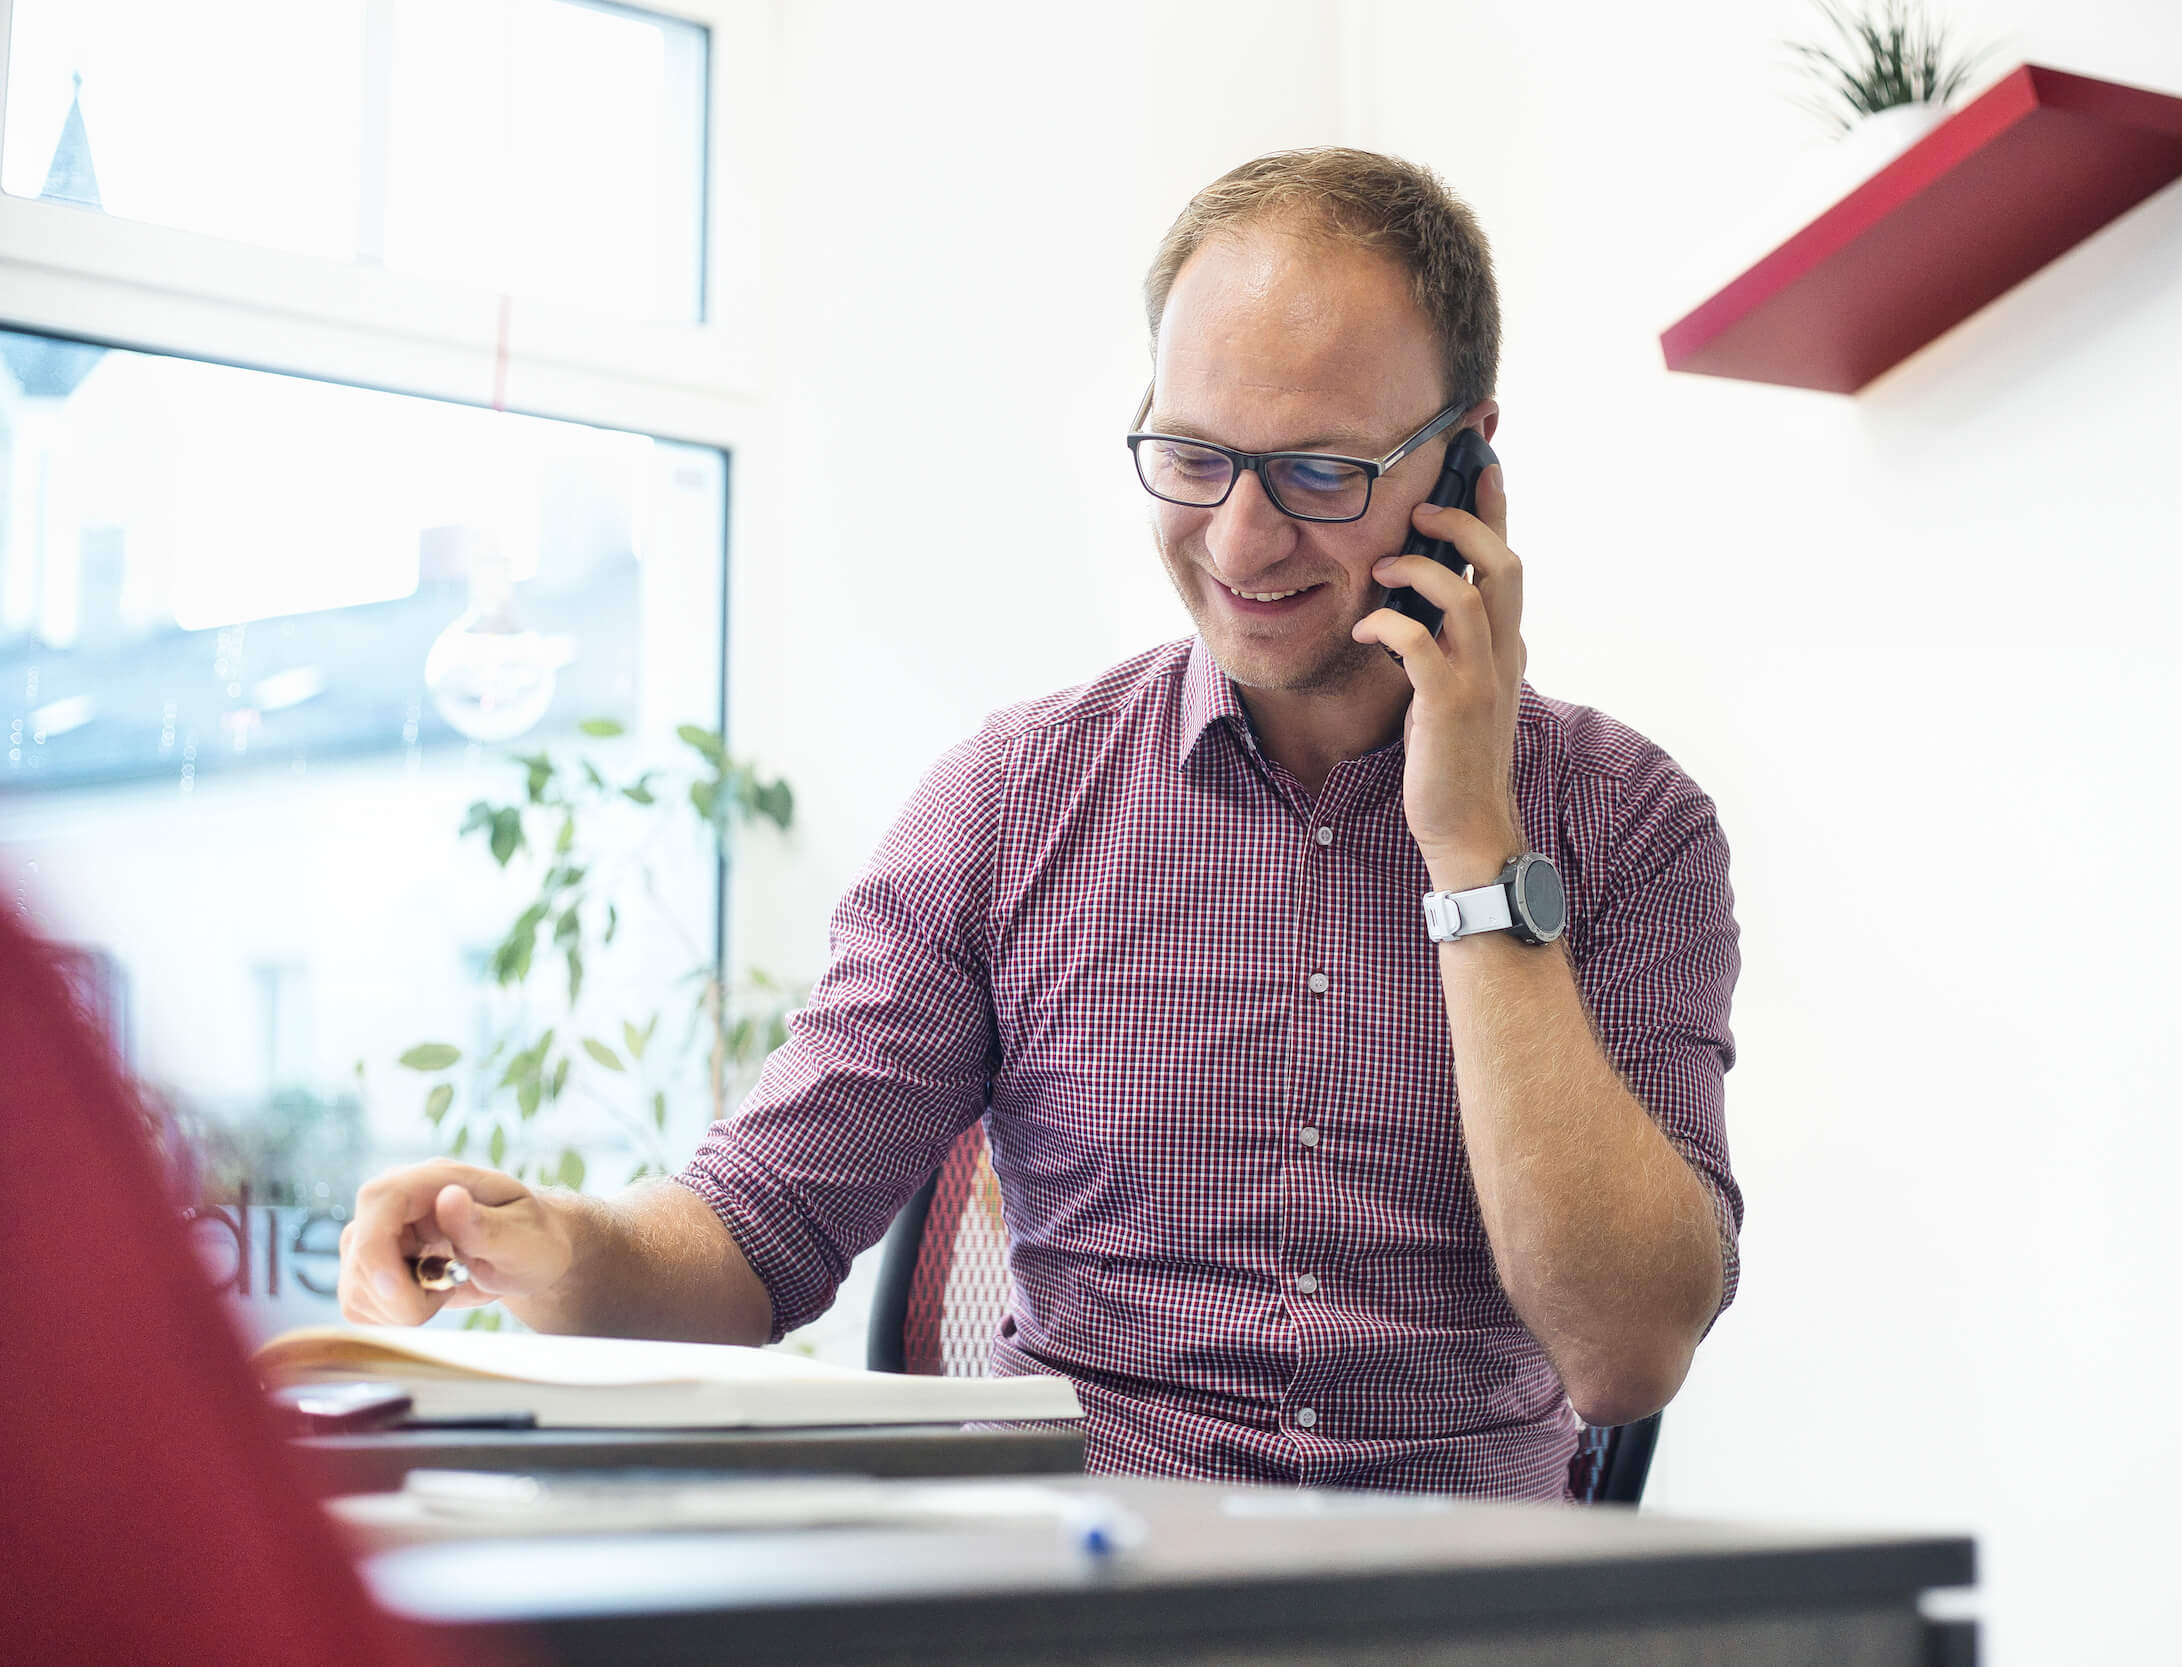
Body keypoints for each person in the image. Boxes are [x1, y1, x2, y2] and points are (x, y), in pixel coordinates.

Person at [340, 148, 1741, 1501]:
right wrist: (557, 1249)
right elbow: (760, 1232)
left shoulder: (1631, 827)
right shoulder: (1013, 805)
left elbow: (1623, 1356)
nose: (1241, 543)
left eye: (1321, 473)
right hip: (1086, 1588)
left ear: (1463, 468)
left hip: (1461, 1615)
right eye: (1194, 455)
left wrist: (1474, 849)